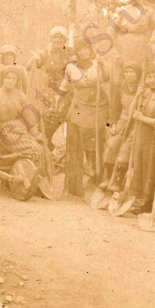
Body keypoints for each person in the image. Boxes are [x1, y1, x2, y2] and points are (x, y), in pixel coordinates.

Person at [59, 39, 110, 196]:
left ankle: (95, 165)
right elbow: (65, 85)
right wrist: (58, 99)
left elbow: (106, 78)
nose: (83, 52)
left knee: (98, 130)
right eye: (80, 49)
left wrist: (102, 65)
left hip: (98, 103)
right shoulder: (71, 67)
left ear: (90, 50)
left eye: (85, 49)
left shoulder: (97, 63)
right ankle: (89, 162)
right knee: (84, 128)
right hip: (80, 103)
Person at [26, 26, 75, 150]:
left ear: (65, 39)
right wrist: (35, 60)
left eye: (60, 37)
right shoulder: (46, 52)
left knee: (57, 116)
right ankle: (46, 147)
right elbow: (29, 66)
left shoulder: (70, 52)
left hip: (66, 91)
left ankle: (51, 144)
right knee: (44, 121)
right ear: (50, 39)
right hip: (49, 92)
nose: (57, 40)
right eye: (55, 37)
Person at [0, 67, 43, 171]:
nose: (11, 81)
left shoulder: (20, 95)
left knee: (41, 148)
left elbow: (28, 116)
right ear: (3, 79)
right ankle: (29, 175)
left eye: (14, 79)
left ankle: (31, 174)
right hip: (4, 132)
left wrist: (36, 134)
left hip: (20, 130)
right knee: (34, 149)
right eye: (8, 78)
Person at [129, 65, 155, 214]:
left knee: (151, 167)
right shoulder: (145, 93)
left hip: (153, 136)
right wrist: (137, 96)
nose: (152, 80)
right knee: (139, 166)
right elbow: (132, 113)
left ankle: (150, 201)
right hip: (140, 135)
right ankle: (141, 200)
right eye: (149, 77)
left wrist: (142, 118)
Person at [100, 62, 141, 192]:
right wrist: (113, 125)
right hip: (122, 123)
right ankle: (108, 178)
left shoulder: (142, 90)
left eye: (132, 72)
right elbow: (116, 109)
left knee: (125, 151)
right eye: (126, 72)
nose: (128, 75)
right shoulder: (121, 89)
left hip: (135, 125)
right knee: (111, 145)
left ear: (137, 74)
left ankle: (118, 181)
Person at [109, 0, 155, 72]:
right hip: (124, 45)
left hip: (142, 44)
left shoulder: (149, 11)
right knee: (126, 68)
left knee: (142, 68)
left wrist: (152, 42)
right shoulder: (122, 11)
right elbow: (112, 28)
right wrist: (114, 45)